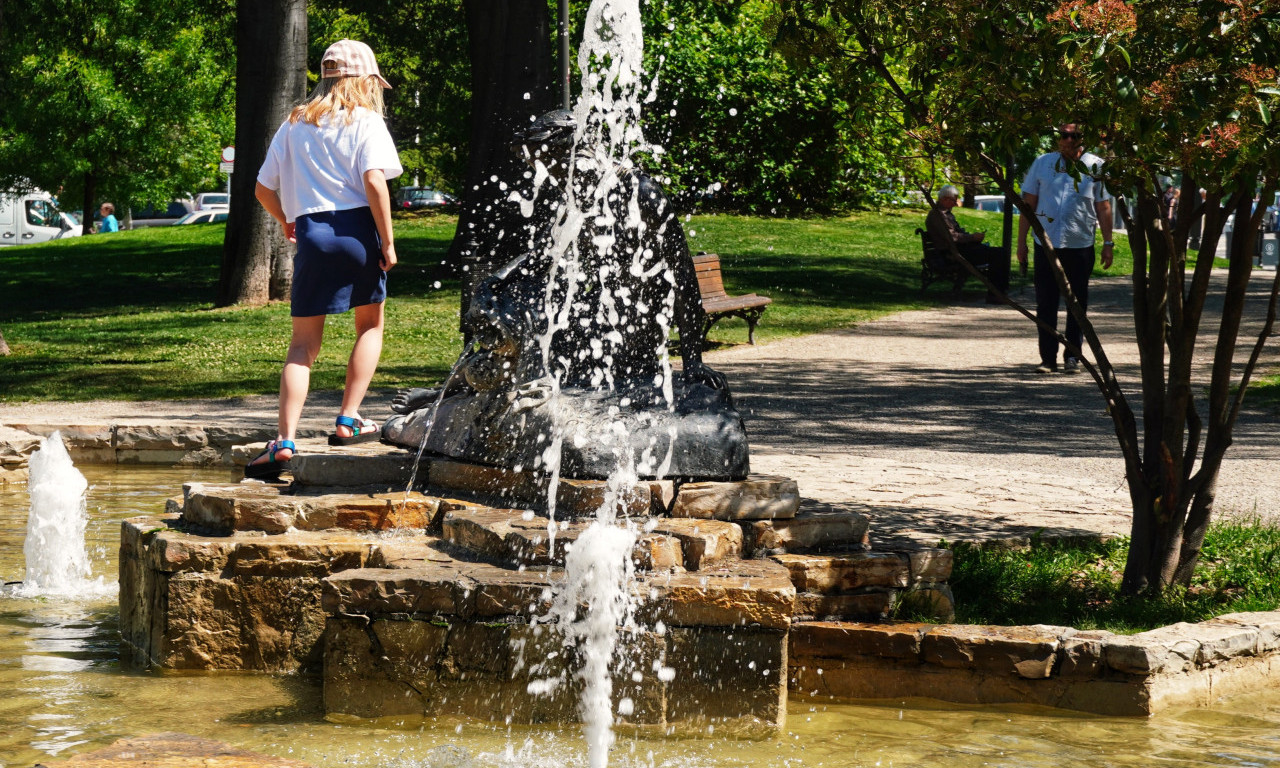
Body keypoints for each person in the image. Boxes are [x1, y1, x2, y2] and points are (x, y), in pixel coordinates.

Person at [246, 39, 402, 479]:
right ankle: (349, 419)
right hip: (358, 232)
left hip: (312, 234)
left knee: (302, 346)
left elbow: (261, 188)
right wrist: (387, 243)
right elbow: (374, 182)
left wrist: (286, 222)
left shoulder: (293, 123)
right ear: (363, 80)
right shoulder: (366, 121)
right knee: (369, 324)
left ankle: (286, 440)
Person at [1017, 123, 1113, 374]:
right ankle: (1047, 358)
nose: (1068, 140)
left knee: (1077, 304)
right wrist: (1021, 243)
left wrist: (1108, 243)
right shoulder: (1042, 163)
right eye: (1064, 135)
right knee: (1045, 303)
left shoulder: (1096, 166)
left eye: (1075, 136)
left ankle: (1072, 356)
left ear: (1084, 139)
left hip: (1080, 243)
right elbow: (1028, 204)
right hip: (1046, 244)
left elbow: (1103, 206)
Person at [924, 184, 1011, 304]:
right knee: (998, 254)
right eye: (954, 201)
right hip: (952, 254)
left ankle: (1000, 291)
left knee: (1001, 252)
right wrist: (972, 237)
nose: (956, 204)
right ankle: (995, 294)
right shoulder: (937, 215)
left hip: (961, 250)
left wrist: (973, 238)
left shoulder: (945, 214)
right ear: (944, 199)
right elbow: (952, 237)